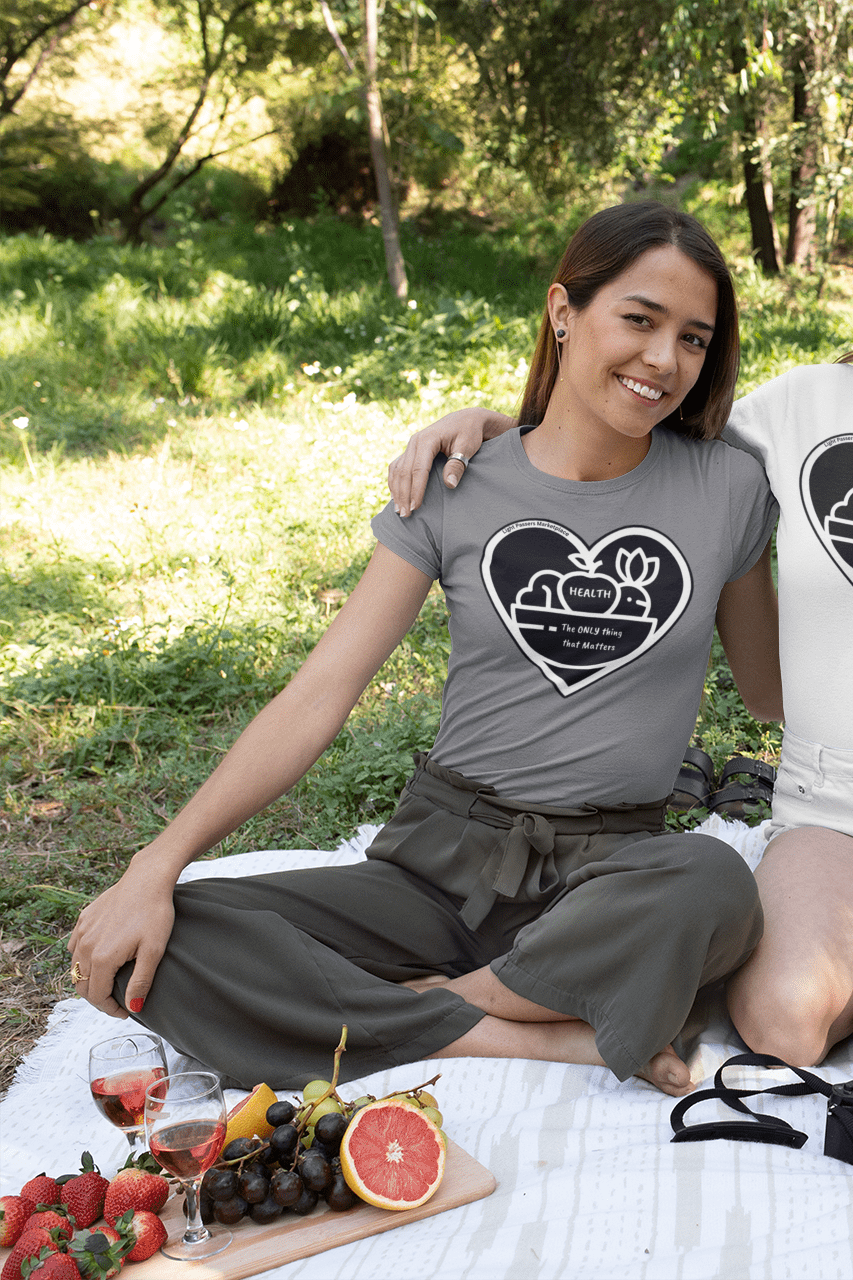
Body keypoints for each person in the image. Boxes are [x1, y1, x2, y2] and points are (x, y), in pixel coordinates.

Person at [68, 202, 782, 1099]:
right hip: (438, 866)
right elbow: (320, 693)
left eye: (692, 338)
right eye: (637, 319)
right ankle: (527, 1031)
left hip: (610, 874)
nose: (662, 360)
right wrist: (155, 863)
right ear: (563, 312)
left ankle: (427, 1008)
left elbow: (769, 691)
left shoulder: (729, 485)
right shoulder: (455, 481)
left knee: (710, 882)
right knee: (175, 937)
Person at [390, 336, 852, 1069]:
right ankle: (483, 1011)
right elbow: (634, 446)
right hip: (836, 805)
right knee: (782, 1022)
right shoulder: (804, 405)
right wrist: (496, 433)